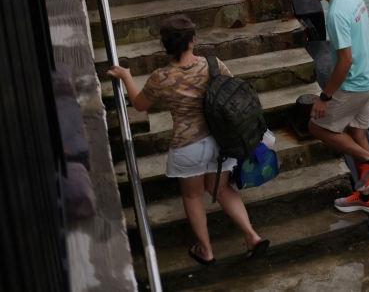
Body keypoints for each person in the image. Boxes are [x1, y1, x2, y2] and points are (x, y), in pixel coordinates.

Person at [105, 15, 269, 265]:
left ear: (166, 46)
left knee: (193, 197)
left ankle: (206, 250)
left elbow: (139, 105)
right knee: (222, 189)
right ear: (192, 41)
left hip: (188, 147)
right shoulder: (213, 64)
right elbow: (233, 93)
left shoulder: (162, 77)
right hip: (220, 142)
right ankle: (252, 236)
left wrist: (126, 75)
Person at [297, 0, 369, 212]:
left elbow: (345, 61)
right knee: (356, 135)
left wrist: (324, 97)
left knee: (317, 127)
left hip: (355, 84)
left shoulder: (336, 13)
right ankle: (366, 197)